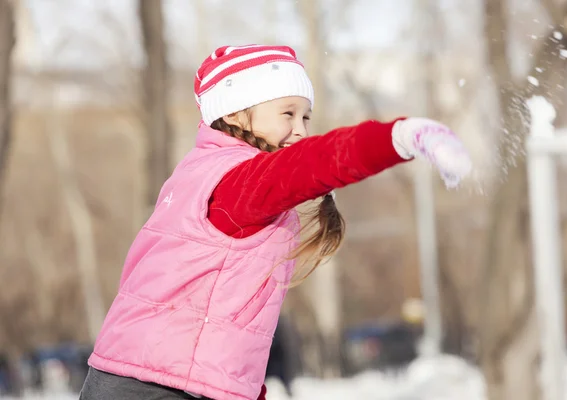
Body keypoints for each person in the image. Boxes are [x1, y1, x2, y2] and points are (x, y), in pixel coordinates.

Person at [79, 44, 471, 400]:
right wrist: (398, 138)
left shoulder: (205, 174)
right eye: (287, 113)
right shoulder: (238, 182)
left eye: (306, 116)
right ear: (233, 112)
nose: (300, 129)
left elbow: (227, 320)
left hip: (152, 380)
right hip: (154, 386)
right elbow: (312, 164)